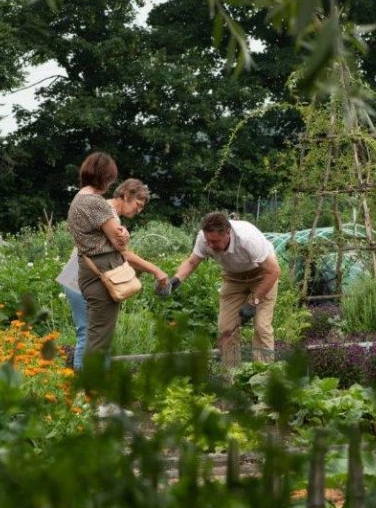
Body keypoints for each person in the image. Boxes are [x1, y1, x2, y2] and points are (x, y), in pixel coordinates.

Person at [67, 153, 168, 373]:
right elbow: (120, 244)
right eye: (110, 179)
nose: (110, 184)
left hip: (87, 273)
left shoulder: (79, 199)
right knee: (97, 338)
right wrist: (125, 237)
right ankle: (91, 395)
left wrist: (121, 236)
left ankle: (88, 391)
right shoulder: (97, 203)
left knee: (94, 335)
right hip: (99, 274)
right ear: (104, 177)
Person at [56, 178, 153, 371]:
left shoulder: (108, 212)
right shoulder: (107, 212)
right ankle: (85, 390)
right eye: (137, 204)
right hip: (80, 279)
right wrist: (156, 271)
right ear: (126, 195)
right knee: (90, 334)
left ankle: (98, 387)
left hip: (81, 277)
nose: (138, 210)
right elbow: (123, 253)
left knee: (99, 334)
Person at [163, 212, 281, 369]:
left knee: (261, 326)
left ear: (227, 233)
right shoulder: (204, 238)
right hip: (233, 278)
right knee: (226, 328)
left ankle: (264, 378)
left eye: (214, 241)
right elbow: (192, 262)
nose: (210, 245)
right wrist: (175, 281)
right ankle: (231, 379)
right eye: (208, 241)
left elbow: (273, 272)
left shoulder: (248, 239)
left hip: (262, 275)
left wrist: (254, 303)